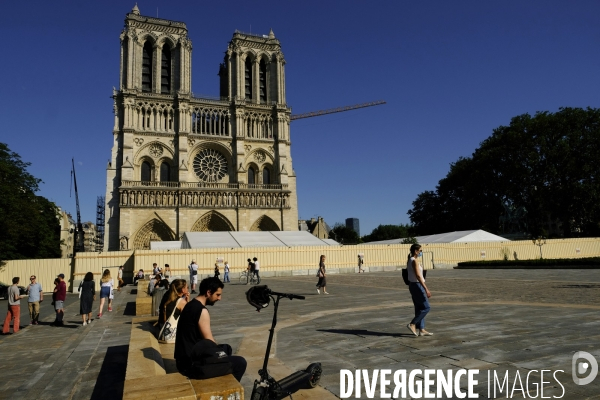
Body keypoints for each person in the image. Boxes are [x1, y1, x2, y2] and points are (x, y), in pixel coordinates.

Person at [174, 277, 246, 382]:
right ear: (208, 292)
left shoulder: (190, 305)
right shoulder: (202, 311)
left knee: (226, 349)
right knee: (240, 362)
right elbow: (210, 342)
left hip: (182, 361)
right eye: (217, 294)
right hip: (192, 366)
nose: (219, 298)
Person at [406, 244, 432, 337]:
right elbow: (418, 276)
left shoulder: (411, 260)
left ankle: (421, 329)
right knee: (426, 307)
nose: (421, 252)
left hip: (413, 285)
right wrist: (426, 288)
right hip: (417, 285)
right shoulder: (414, 261)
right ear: (416, 251)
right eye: (420, 250)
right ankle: (413, 324)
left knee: (419, 307)